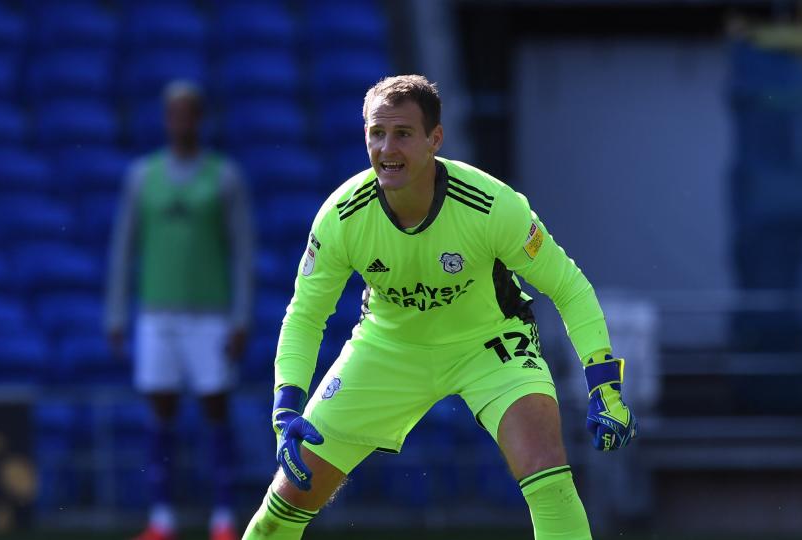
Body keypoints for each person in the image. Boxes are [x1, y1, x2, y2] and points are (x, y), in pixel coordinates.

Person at [243, 75, 637, 540]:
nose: (387, 148)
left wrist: (604, 386)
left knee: (548, 474)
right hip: (388, 348)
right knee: (281, 510)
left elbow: (569, 287)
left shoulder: (492, 206)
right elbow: (305, 315)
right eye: (376, 133)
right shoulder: (341, 217)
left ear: (435, 139)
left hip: (490, 345)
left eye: (403, 134)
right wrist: (286, 406)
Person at [105, 80, 256, 540]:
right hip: (157, 315)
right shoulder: (141, 177)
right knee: (160, 410)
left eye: (189, 113)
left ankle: (225, 517)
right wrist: (115, 314)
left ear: (200, 119)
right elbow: (123, 248)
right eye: (174, 114)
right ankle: (162, 518)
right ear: (166, 119)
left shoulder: (224, 177)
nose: (181, 122)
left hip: (210, 316)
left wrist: (241, 317)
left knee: (215, 409)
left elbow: (243, 252)